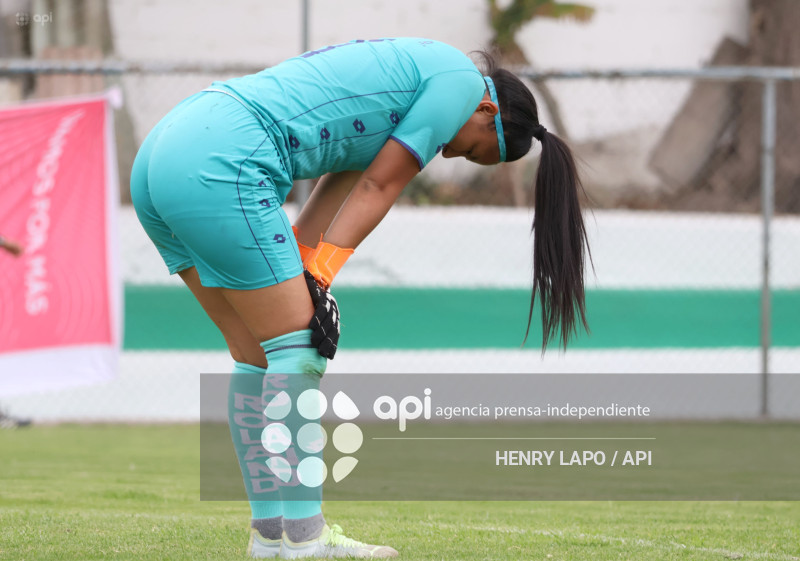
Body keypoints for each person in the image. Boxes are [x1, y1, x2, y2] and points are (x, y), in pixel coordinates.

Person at [131, 37, 590, 559]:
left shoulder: (408, 85)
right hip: (222, 158)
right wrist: (319, 281)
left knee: (260, 355)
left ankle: (270, 538)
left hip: (166, 155)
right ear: (486, 109)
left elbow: (342, 183)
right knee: (298, 351)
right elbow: (378, 187)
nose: (445, 151)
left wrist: (309, 273)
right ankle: (306, 541)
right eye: (464, 148)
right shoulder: (459, 84)